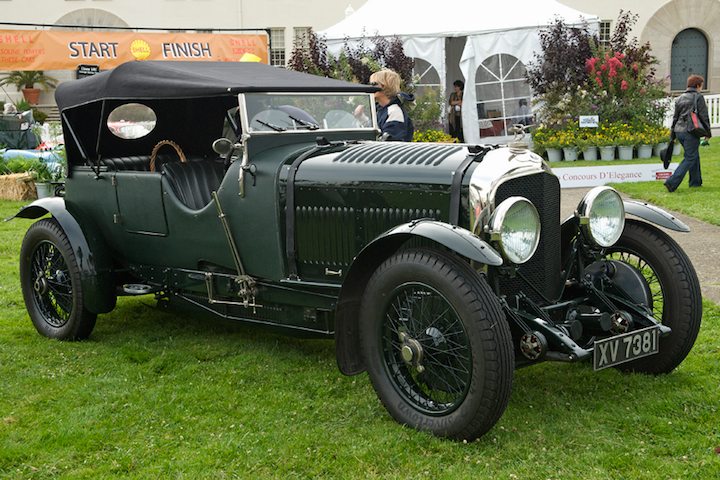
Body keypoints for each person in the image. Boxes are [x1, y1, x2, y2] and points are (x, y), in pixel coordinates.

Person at [665, 74, 711, 192]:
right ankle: (672, 182)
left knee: (694, 155)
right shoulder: (698, 97)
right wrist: (708, 133)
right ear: (697, 85)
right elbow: (704, 116)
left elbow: (675, 118)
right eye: (701, 85)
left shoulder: (680, 98)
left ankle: (695, 182)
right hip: (691, 131)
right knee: (690, 157)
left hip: (679, 131)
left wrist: (672, 135)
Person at [369, 69, 414, 142]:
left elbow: (391, 140)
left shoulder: (394, 111)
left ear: (384, 86)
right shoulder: (380, 109)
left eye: (374, 84)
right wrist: (361, 117)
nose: (370, 87)